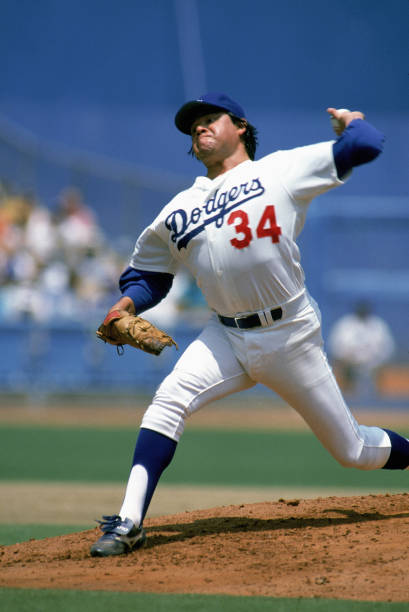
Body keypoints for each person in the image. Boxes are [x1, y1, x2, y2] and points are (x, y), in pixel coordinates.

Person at [90, 93, 409, 557]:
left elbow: (367, 145)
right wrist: (124, 306)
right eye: (192, 125)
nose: (199, 128)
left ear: (240, 126)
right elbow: (149, 276)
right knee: (168, 401)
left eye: (208, 119)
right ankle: (128, 522)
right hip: (226, 335)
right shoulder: (180, 208)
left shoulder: (278, 170)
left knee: (353, 450)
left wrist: (351, 122)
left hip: (291, 335)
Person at [328, 301, 395, 398]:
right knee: (348, 386)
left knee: (376, 380)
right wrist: (347, 359)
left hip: (374, 365)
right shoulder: (345, 325)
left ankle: (377, 400)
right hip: (350, 365)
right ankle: (349, 396)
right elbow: (336, 347)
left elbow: (388, 348)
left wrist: (377, 361)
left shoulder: (378, 325)